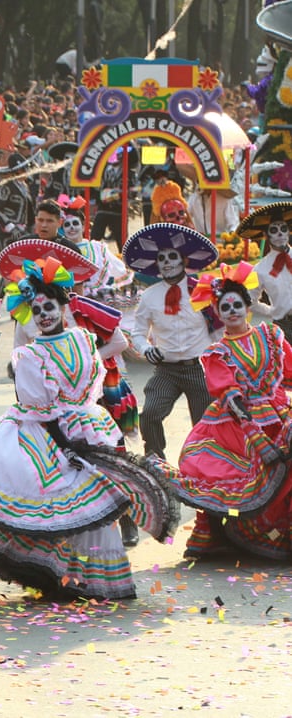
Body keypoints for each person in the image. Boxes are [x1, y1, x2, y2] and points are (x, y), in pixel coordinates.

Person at [0, 258, 159, 601]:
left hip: (92, 428)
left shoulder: (84, 338)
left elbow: (101, 366)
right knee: (61, 506)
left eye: (49, 307)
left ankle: (95, 578)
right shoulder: (29, 356)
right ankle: (62, 576)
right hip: (52, 437)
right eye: (37, 310)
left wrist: (83, 436)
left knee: (95, 507)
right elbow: (43, 410)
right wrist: (67, 446)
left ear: (64, 305)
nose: (44, 315)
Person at [172, 262, 292, 560]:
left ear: (248, 305)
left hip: (277, 412)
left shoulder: (271, 336)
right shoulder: (217, 353)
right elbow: (229, 395)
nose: (233, 311)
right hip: (236, 421)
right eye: (225, 308)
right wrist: (254, 434)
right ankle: (232, 531)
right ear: (218, 314)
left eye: (237, 304)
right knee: (216, 468)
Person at [124, 223, 221, 459]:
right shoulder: (149, 295)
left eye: (172, 257)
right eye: (162, 258)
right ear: (157, 264)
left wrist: (223, 362)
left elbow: (219, 330)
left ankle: (204, 467)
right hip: (166, 369)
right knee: (150, 414)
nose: (167, 262)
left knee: (205, 424)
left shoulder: (201, 290)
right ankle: (155, 460)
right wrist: (146, 349)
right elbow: (137, 333)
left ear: (183, 261)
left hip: (199, 368)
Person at [240, 203, 292, 338]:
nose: (280, 233)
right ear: (266, 235)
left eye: (283, 228)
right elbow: (249, 300)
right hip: (284, 326)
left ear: (289, 231)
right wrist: (272, 311)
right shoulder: (260, 269)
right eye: (274, 230)